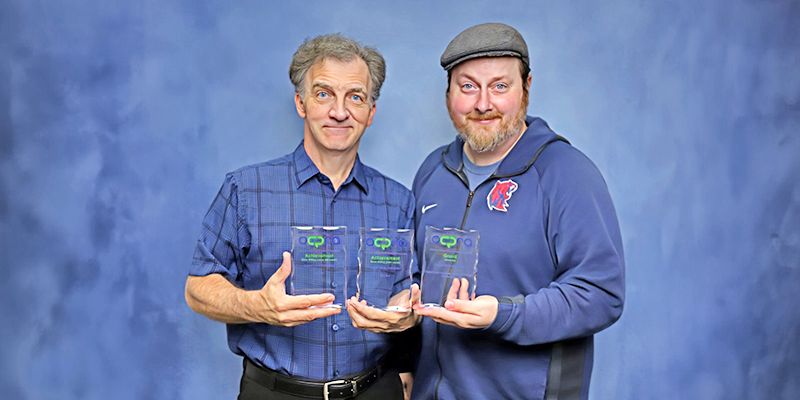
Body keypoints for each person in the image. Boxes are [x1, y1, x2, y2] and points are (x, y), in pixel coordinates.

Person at [185, 34, 419, 400]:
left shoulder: (400, 201)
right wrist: (256, 305)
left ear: (371, 112)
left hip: (377, 390)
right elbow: (198, 289)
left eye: (355, 97)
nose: (339, 111)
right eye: (324, 93)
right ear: (301, 103)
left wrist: (409, 314)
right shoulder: (246, 189)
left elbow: (409, 291)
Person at [411, 23, 625, 399]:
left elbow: (600, 292)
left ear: (526, 89)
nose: (482, 103)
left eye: (499, 86)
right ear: (448, 96)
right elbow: (416, 278)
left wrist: (502, 314)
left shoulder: (566, 172)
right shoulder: (433, 171)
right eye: (467, 86)